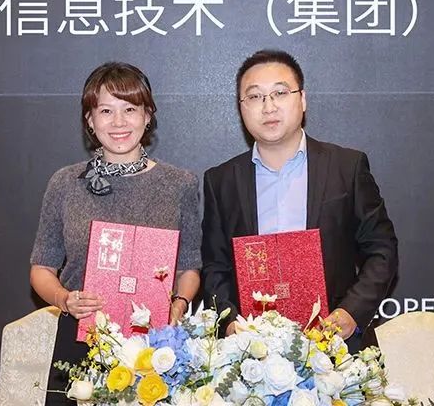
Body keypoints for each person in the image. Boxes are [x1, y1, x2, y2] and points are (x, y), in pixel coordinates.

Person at [201, 49, 398, 352]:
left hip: (334, 347)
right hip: (251, 354)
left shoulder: (346, 167)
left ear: (302, 99)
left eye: (280, 93)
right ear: (241, 108)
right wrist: (229, 325)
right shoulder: (221, 181)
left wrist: (350, 313)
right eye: (255, 97)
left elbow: (382, 249)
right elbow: (215, 266)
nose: (268, 107)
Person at [29, 62, 202, 405]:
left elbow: (189, 267)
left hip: (156, 345)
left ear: (147, 116)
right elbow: (41, 268)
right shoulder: (65, 183)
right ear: (90, 120)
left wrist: (179, 304)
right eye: (106, 111)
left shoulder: (179, 184)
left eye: (130, 109)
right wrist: (64, 299)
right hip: (81, 339)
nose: (119, 122)